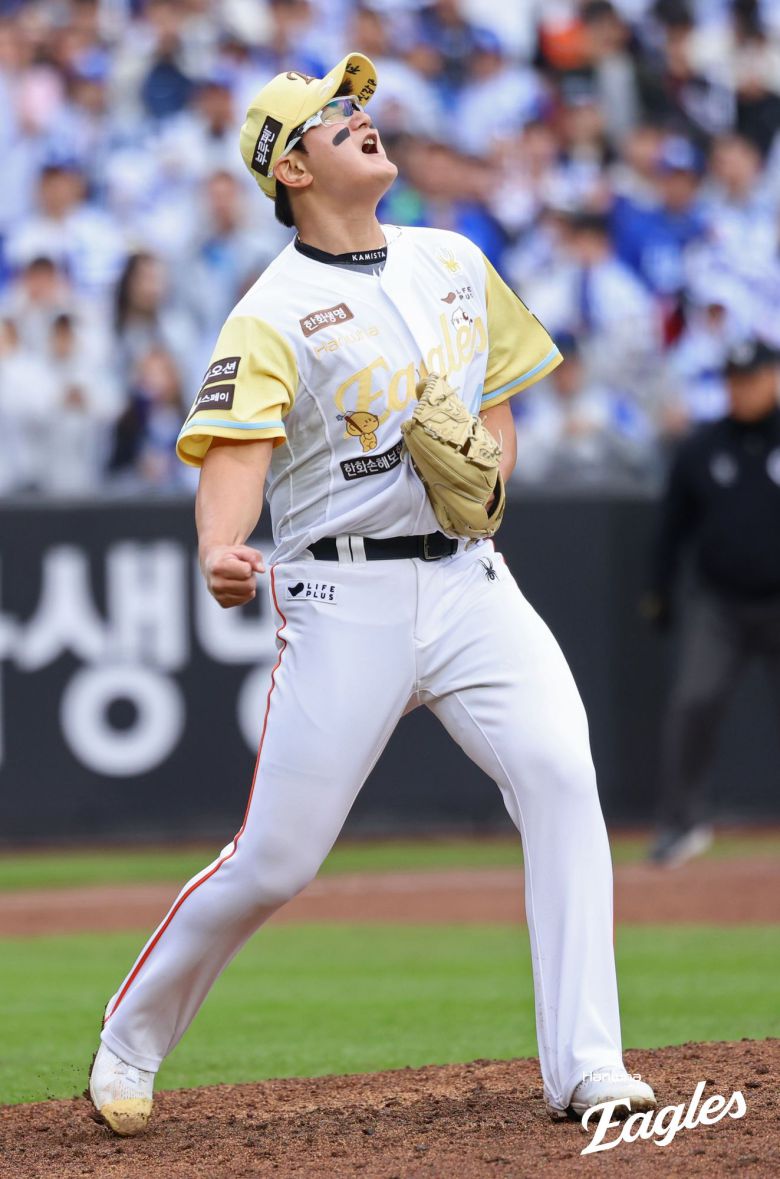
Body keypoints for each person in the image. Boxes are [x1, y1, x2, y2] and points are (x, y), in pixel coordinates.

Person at [88, 52, 656, 1136]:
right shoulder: (270, 310)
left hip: (472, 582)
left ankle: (589, 1066)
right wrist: (219, 547)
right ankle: (131, 1035)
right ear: (292, 169)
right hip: (345, 599)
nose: (360, 115)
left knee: (560, 776)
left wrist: (490, 473)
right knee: (277, 861)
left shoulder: (453, 260)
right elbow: (236, 453)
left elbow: (496, 412)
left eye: (359, 103)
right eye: (331, 114)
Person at [644, 338, 780, 866]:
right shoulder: (703, 448)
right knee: (693, 703)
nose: (741, 391)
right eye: (733, 381)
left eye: (751, 379)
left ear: (773, 378)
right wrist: (658, 591)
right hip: (721, 604)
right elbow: (670, 528)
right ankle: (681, 823)